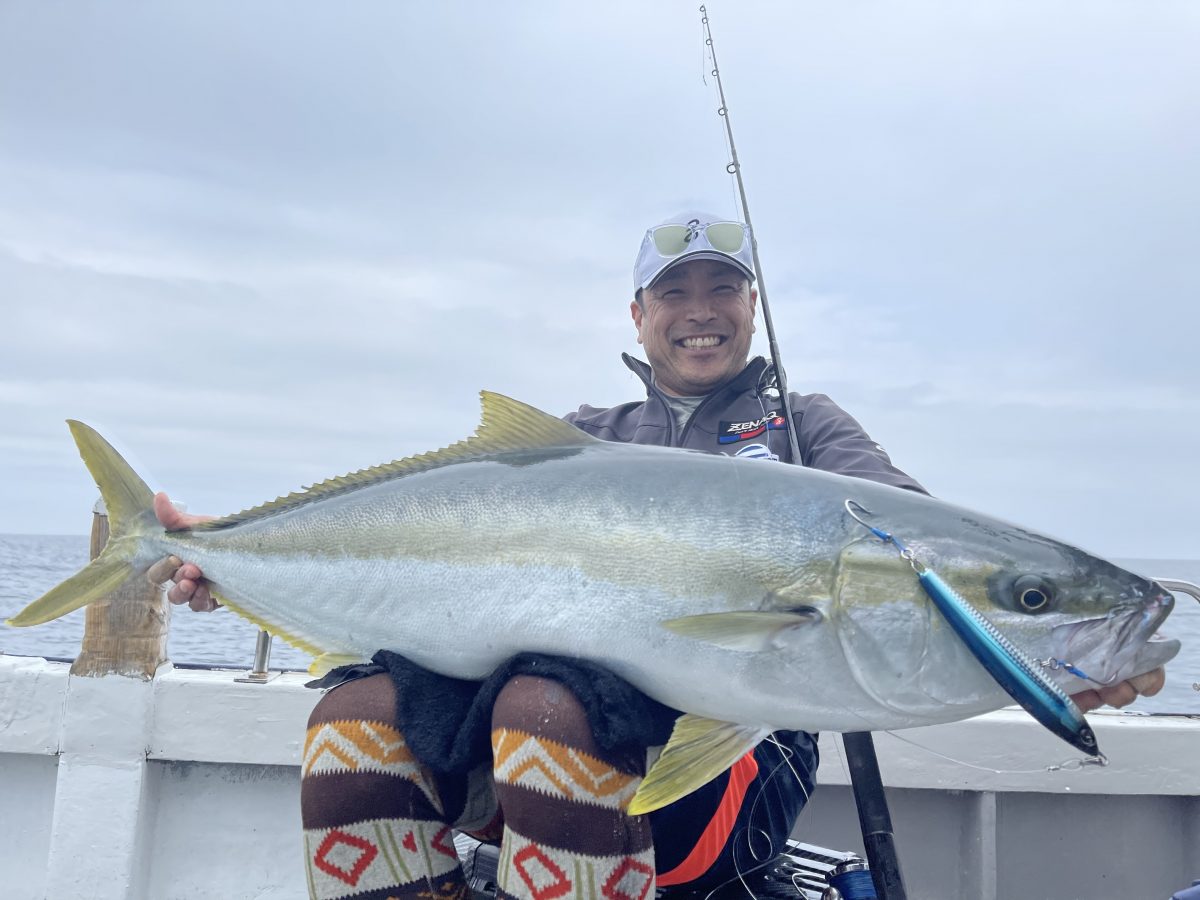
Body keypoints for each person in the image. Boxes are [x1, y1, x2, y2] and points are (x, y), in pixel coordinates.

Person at [154, 212, 1165, 900]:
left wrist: (1063, 644)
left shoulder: (809, 429)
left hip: (731, 742)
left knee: (541, 707)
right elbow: (413, 548)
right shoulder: (581, 436)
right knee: (350, 722)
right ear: (638, 316)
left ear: (751, 308)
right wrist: (228, 561)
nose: (699, 308)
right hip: (525, 732)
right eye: (672, 290)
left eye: (723, 287)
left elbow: (917, 534)